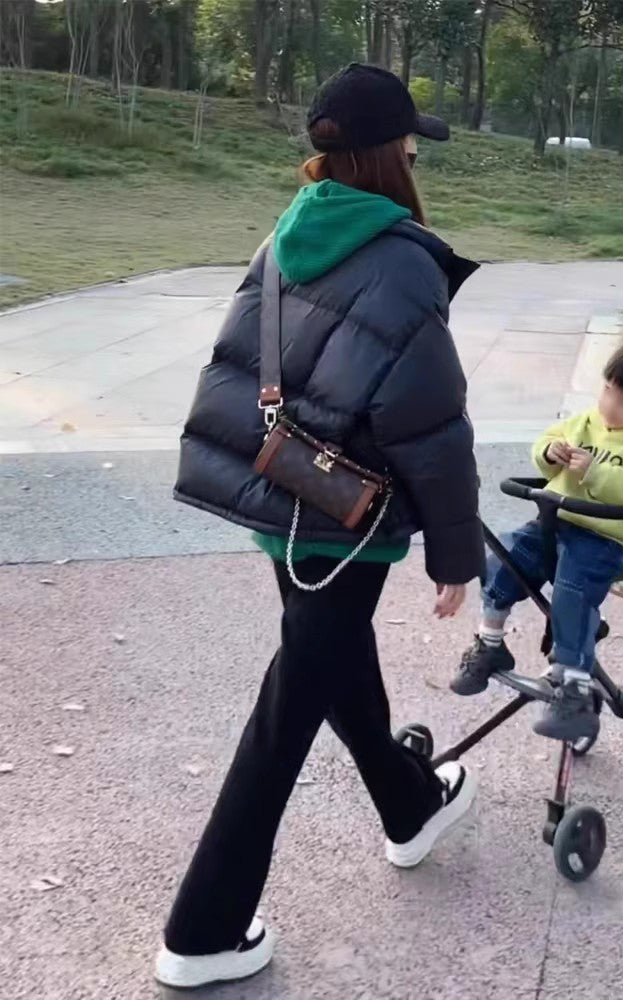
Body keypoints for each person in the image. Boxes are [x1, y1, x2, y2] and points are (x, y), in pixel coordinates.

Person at [154, 63, 485, 990]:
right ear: (391, 152)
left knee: (330, 661)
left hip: (281, 499)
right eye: (413, 141)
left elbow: (235, 368)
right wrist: (455, 556)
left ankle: (411, 806)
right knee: (290, 704)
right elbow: (429, 425)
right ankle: (203, 930)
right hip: (348, 517)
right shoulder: (403, 258)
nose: (419, 152)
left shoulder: (284, 234)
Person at [450, 339, 623, 742]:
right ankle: (490, 642)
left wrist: (595, 473)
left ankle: (574, 686)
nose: (610, 405)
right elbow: (543, 446)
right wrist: (550, 452)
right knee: (504, 560)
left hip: (608, 536)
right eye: (608, 391)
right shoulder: (586, 421)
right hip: (557, 522)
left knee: (572, 593)